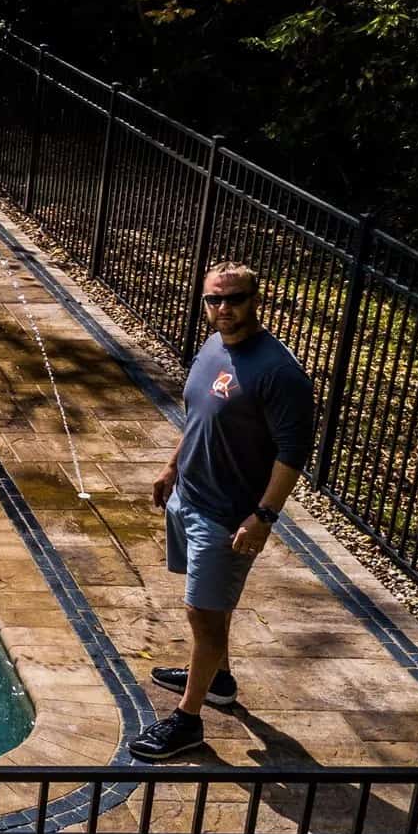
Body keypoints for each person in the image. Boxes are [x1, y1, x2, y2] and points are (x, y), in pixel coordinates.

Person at [130, 260, 314, 760]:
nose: (223, 308)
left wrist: (264, 516)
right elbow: (199, 415)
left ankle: (188, 721)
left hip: (228, 515)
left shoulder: (279, 372)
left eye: (234, 298)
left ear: (257, 299)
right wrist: (172, 466)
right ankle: (218, 680)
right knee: (211, 605)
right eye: (214, 298)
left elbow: (293, 453)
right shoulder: (213, 346)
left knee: (203, 613)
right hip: (190, 495)